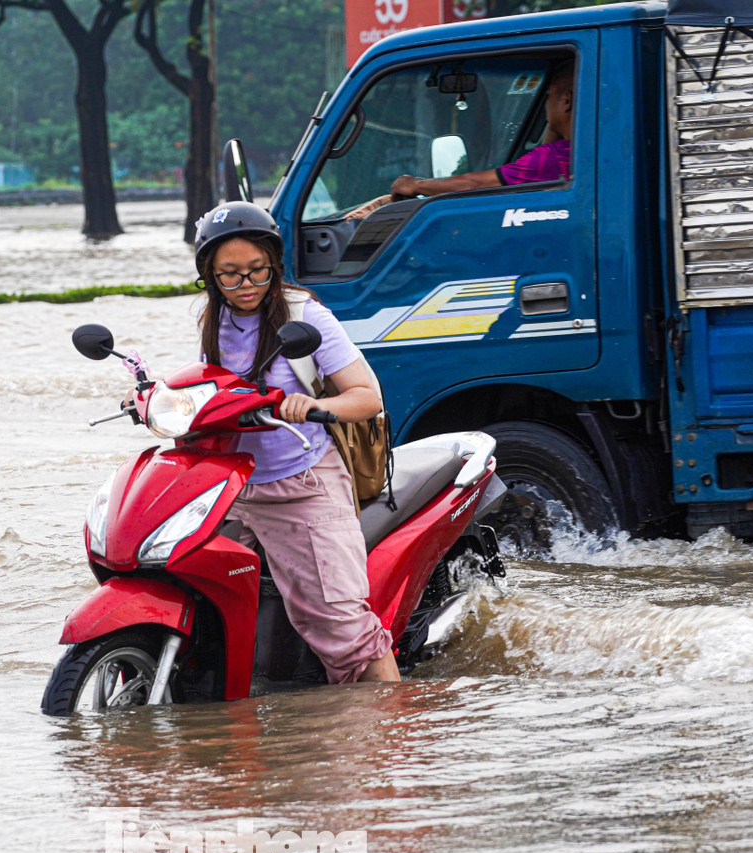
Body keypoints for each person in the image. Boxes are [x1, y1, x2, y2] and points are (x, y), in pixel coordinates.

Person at [191, 201, 401, 684]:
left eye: (257, 272)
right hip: (234, 486)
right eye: (230, 276)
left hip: (302, 481)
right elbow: (207, 389)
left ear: (274, 265)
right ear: (208, 275)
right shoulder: (212, 320)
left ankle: (380, 739)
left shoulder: (308, 315)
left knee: (344, 627)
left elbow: (367, 398)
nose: (246, 286)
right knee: (194, 595)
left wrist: (310, 406)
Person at [348, 61, 574, 218]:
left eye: (548, 97)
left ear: (566, 101)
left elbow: (474, 184)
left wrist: (416, 185)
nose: (545, 106)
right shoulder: (569, 153)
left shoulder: (554, 158)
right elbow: (547, 147)